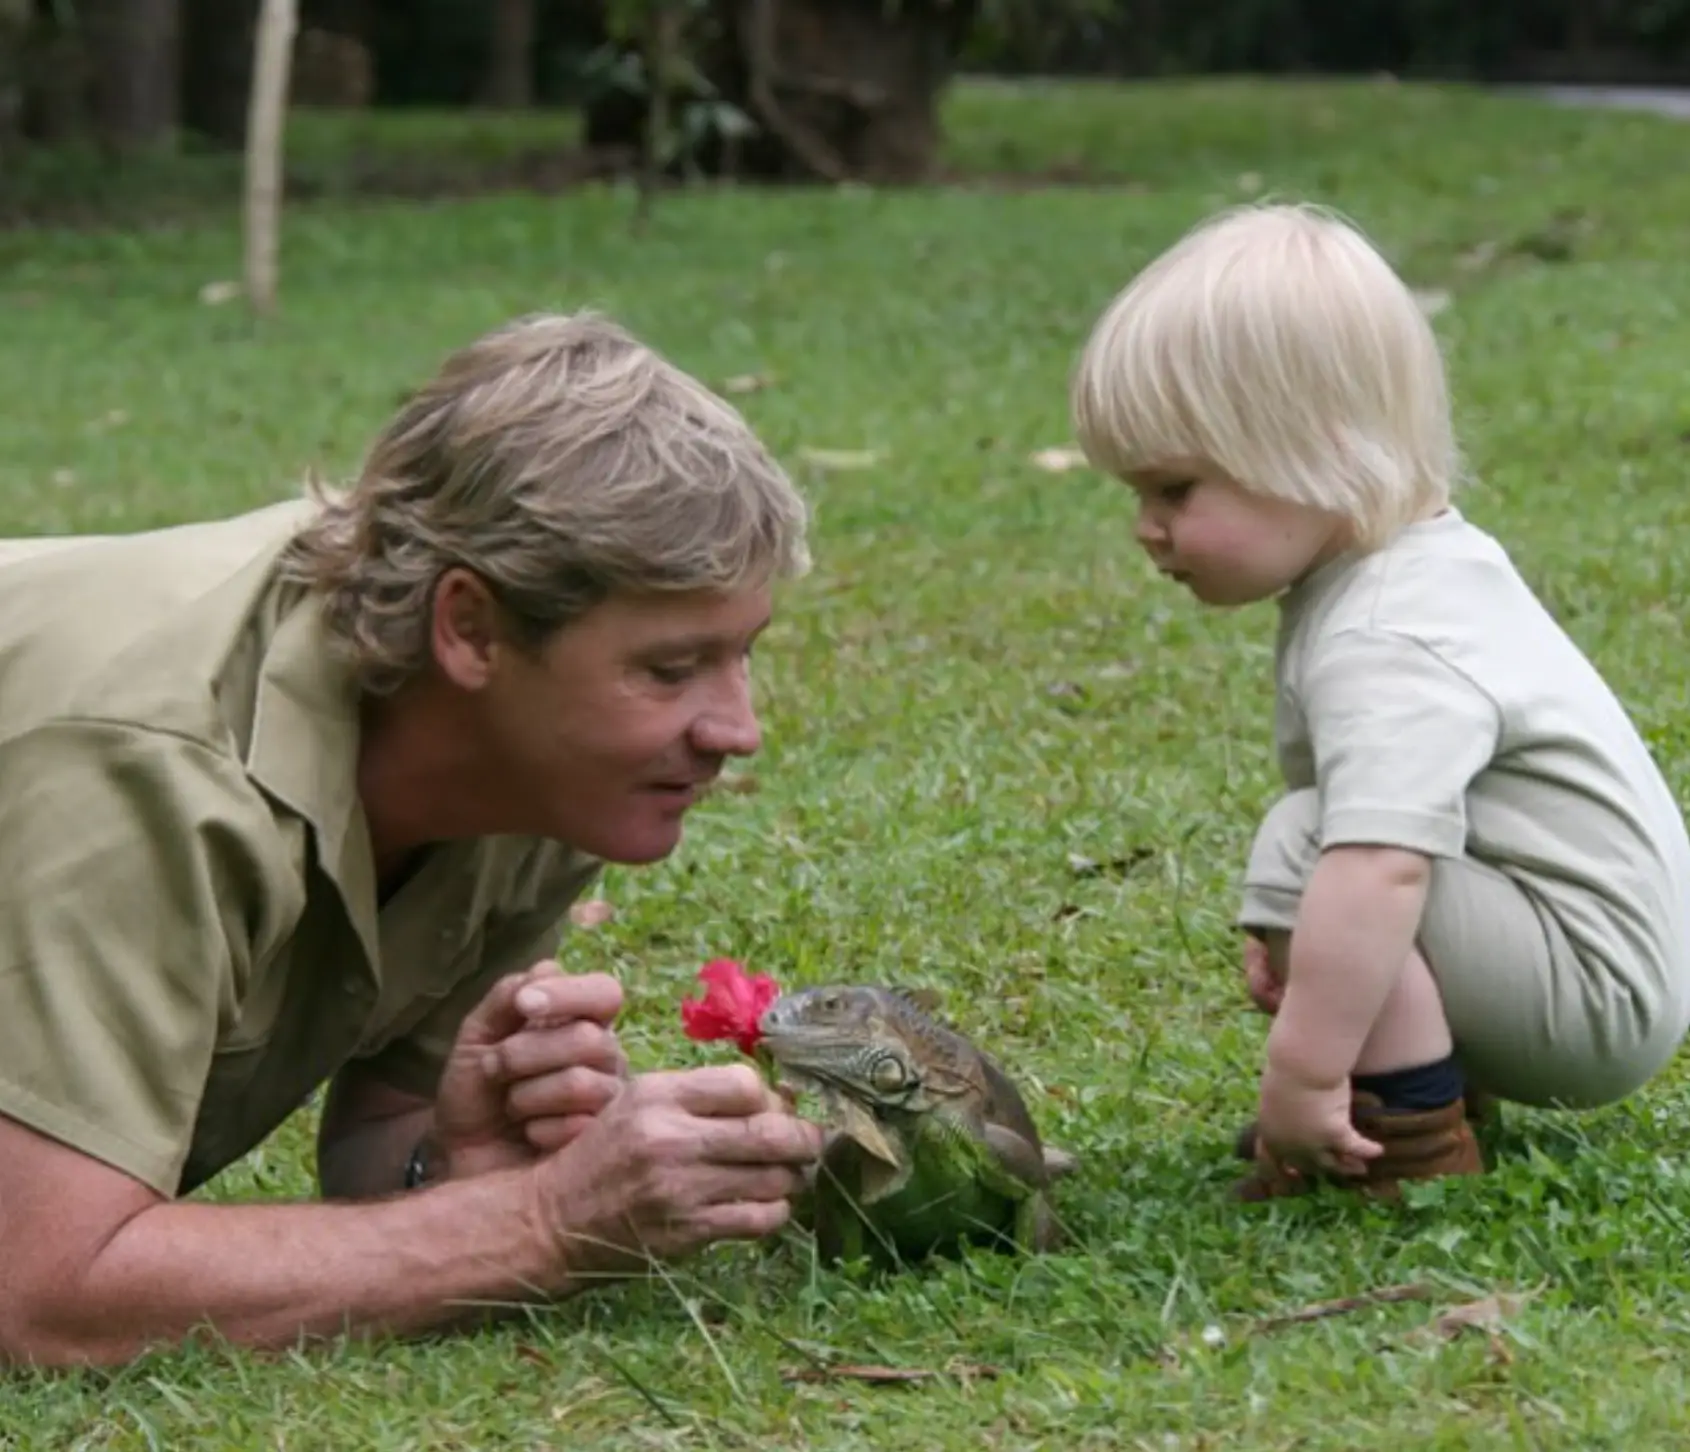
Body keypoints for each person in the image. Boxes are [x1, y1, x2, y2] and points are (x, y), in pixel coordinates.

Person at [0, 310, 825, 1367]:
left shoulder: (541, 765)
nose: (735, 731)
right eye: (668, 670)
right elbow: (41, 1294)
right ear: (471, 629)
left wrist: (454, 1166)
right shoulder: (152, 765)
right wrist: (540, 1223)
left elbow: (378, 1163)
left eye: (740, 654)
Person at [1066, 202, 1690, 1200]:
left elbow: (1381, 869)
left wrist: (1303, 1066)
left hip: (1586, 996)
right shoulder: (1409, 569)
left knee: (1317, 841)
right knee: (1318, 848)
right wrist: (1303, 942)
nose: (1146, 528)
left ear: (1313, 451)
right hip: (1598, 963)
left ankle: (1403, 1141)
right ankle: (1413, 1079)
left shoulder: (1385, 632)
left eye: (1175, 489)